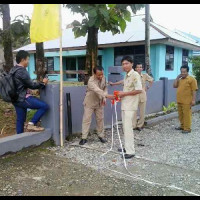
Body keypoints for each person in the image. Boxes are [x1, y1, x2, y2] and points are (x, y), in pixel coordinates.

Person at [11, 50, 49, 134]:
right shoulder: (22, 70)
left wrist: (29, 90)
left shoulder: (13, 70)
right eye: (27, 59)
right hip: (23, 98)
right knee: (44, 106)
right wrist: (43, 83)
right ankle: (32, 123)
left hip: (15, 99)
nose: (28, 61)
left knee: (20, 119)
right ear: (22, 60)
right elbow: (32, 84)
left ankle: (19, 140)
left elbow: (20, 85)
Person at [113, 56, 142, 159]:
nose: (124, 66)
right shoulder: (126, 76)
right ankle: (126, 147)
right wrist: (121, 95)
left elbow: (139, 90)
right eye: (123, 64)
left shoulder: (135, 75)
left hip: (130, 106)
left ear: (131, 64)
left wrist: (123, 93)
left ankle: (130, 151)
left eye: (126, 63)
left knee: (128, 128)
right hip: (125, 104)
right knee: (125, 128)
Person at [79, 66, 115, 145]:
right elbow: (97, 90)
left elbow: (105, 88)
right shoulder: (91, 81)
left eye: (102, 74)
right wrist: (107, 96)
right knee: (86, 120)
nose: (101, 76)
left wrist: (104, 97)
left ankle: (101, 136)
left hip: (99, 102)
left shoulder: (104, 78)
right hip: (89, 102)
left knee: (100, 119)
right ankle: (84, 137)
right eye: (99, 75)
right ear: (94, 74)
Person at [173, 65, 198, 134]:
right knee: (181, 115)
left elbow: (194, 90)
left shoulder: (192, 79)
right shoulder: (180, 79)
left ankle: (187, 128)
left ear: (187, 71)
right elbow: (174, 86)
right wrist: (177, 77)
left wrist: (193, 100)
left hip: (187, 101)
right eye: (181, 72)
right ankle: (182, 126)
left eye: (184, 72)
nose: (182, 73)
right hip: (179, 100)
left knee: (187, 115)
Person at [132, 63, 154, 131]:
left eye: (140, 67)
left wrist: (148, 87)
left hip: (142, 96)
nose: (139, 68)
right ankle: (133, 125)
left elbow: (151, 80)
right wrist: (115, 83)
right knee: (134, 112)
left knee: (142, 112)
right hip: (134, 96)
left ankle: (140, 125)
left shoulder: (144, 75)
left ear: (142, 68)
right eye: (138, 67)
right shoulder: (132, 75)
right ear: (135, 68)